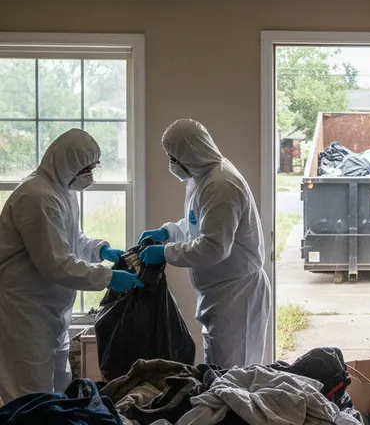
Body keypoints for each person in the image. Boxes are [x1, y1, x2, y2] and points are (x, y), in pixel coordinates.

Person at [0, 128, 142, 404]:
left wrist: (99, 249)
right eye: (86, 168)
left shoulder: (61, 191)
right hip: (24, 311)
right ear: (67, 163)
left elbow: (72, 239)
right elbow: (55, 264)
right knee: (28, 396)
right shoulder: (37, 197)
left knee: (56, 387)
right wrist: (108, 277)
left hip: (50, 310)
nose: (89, 175)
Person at [139, 119, 270, 368]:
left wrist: (165, 253)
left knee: (233, 377)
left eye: (173, 158)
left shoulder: (221, 185)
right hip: (220, 294)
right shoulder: (201, 179)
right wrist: (168, 233)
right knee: (219, 373)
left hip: (237, 296)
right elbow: (197, 224)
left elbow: (214, 246)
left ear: (189, 154)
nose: (171, 164)